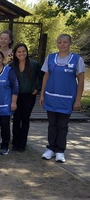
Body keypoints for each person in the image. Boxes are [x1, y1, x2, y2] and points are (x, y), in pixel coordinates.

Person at [40, 34, 85, 163]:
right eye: (60, 42)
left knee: (63, 125)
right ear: (57, 44)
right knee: (52, 124)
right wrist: (42, 94)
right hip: (51, 97)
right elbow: (45, 77)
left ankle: (60, 150)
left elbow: (81, 82)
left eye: (65, 42)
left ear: (70, 43)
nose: (62, 44)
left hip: (67, 98)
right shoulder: (50, 58)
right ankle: (50, 149)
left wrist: (78, 100)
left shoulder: (77, 59)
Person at [10, 43, 42, 152]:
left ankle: (22, 144)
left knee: (25, 119)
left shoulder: (34, 64)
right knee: (16, 118)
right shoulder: (11, 65)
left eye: (23, 51)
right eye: (19, 52)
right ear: (15, 53)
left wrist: (37, 88)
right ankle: (15, 142)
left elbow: (43, 77)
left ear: (27, 52)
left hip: (29, 96)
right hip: (15, 96)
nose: (21, 53)